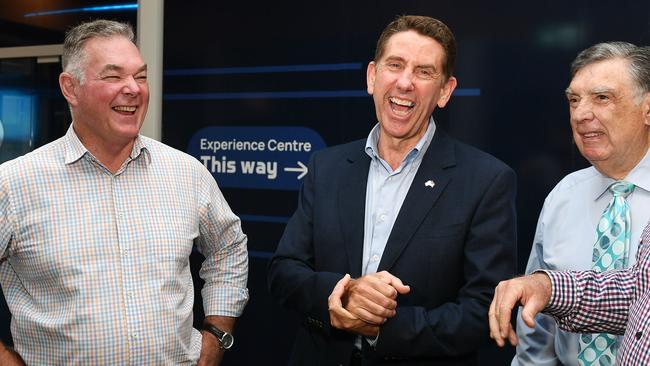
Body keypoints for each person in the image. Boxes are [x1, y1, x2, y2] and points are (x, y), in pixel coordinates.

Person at [268, 15, 517, 365]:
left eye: (424, 72)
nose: (404, 83)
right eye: (395, 65)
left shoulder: (486, 181)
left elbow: (486, 310)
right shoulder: (326, 168)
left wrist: (381, 326)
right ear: (372, 76)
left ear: (445, 91)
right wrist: (344, 294)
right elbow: (284, 272)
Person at [0, 20, 248, 365]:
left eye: (141, 76)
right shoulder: (14, 183)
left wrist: (216, 336)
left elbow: (228, 247)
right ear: (70, 88)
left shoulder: (186, 173)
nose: (133, 89)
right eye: (114, 76)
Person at [489, 46, 650, 365]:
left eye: (602, 98)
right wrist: (544, 286)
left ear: (647, 109)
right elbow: (537, 331)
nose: (581, 114)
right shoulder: (563, 196)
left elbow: (635, 295)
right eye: (574, 100)